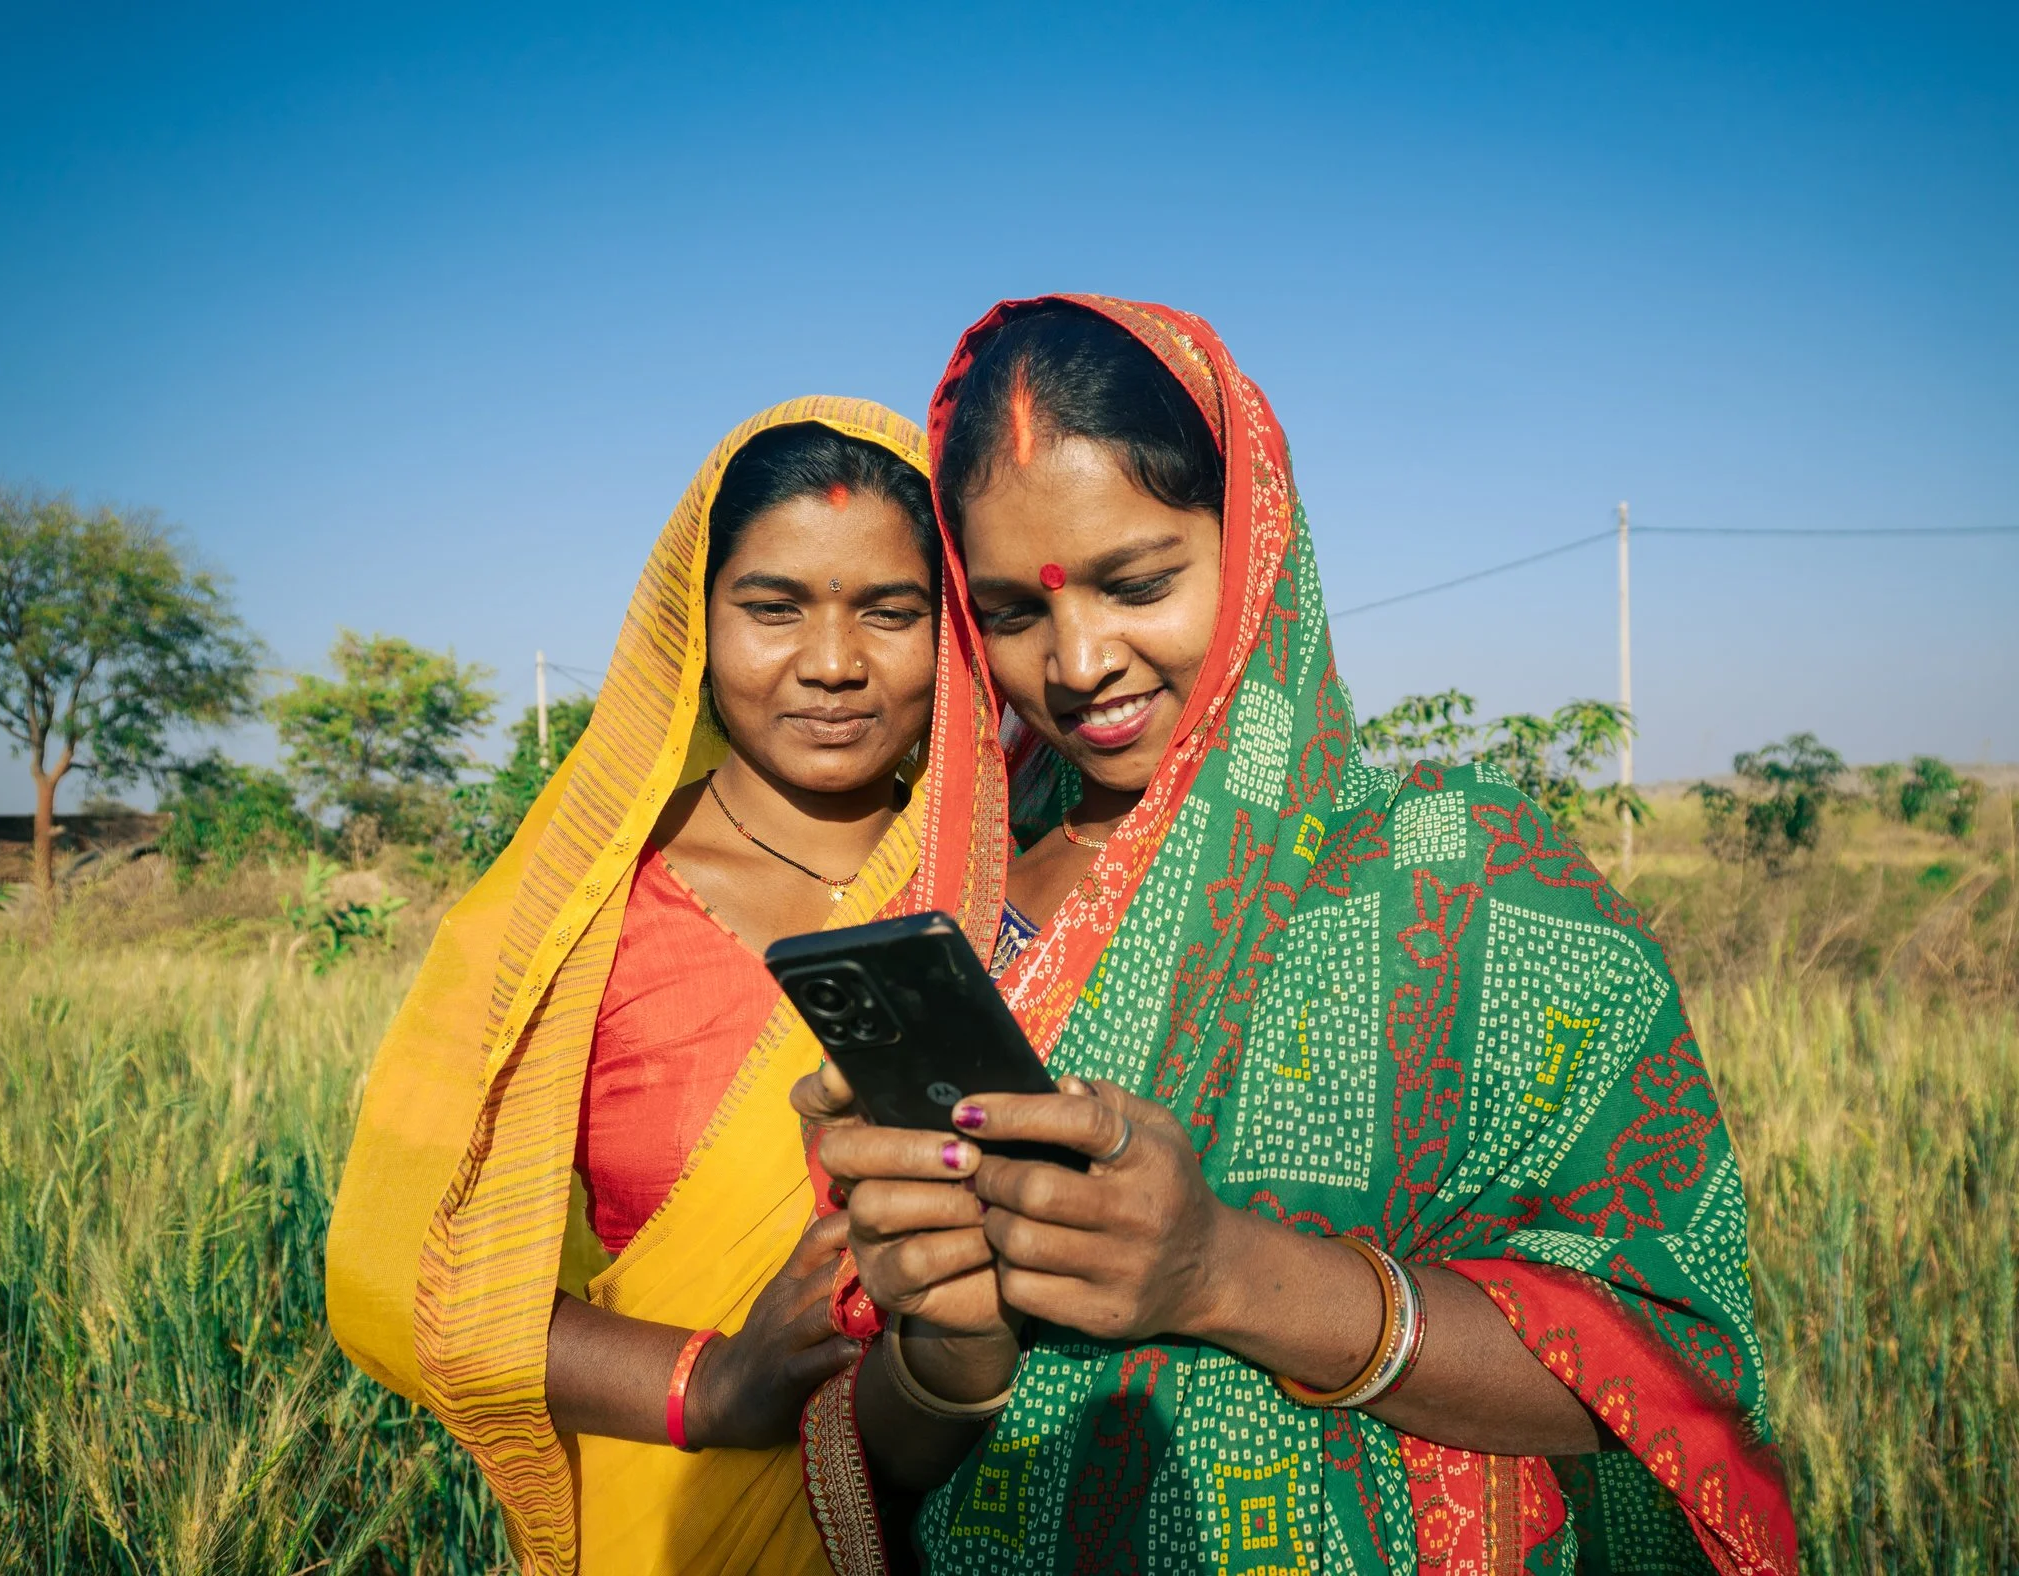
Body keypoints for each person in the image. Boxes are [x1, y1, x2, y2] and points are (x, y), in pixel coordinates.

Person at [799, 300, 1799, 1574]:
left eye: (1139, 581)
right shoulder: (941, 910)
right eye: (1008, 611)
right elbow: (883, 1421)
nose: (1079, 658)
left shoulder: (1470, 888)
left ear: (1257, 540)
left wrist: (1217, 1272)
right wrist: (941, 1334)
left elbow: (1667, 1361)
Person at [327, 398, 994, 1576]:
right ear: (693, 623)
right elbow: (409, 1288)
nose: (833, 663)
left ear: (952, 632)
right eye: (773, 606)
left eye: (891, 612)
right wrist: (711, 1385)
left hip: (999, 1513)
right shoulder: (570, 918)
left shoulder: (1011, 877)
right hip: (682, 1526)